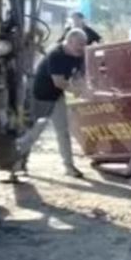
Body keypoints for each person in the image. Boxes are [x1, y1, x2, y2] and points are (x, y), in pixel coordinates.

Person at [17, 29, 88, 178]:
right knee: (33, 133)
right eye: (79, 45)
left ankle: (69, 167)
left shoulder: (78, 54)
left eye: (83, 45)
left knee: (63, 132)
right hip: (40, 97)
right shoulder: (56, 55)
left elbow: (79, 75)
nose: (82, 48)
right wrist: (76, 91)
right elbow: (59, 82)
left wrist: (82, 86)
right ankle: (16, 163)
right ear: (69, 42)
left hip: (56, 97)